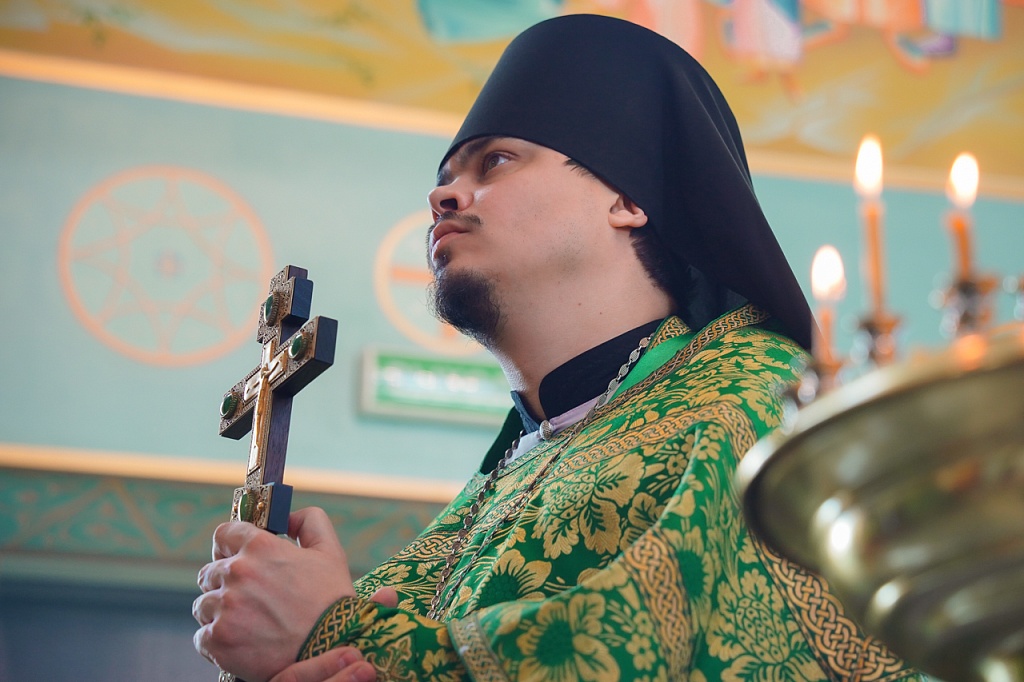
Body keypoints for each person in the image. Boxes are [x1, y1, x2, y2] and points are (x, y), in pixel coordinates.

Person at [194, 14, 924, 682]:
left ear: (627, 200)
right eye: (445, 178)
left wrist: (332, 629)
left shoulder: (758, 402)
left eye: (495, 162)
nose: (444, 197)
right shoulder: (506, 477)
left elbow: (644, 650)